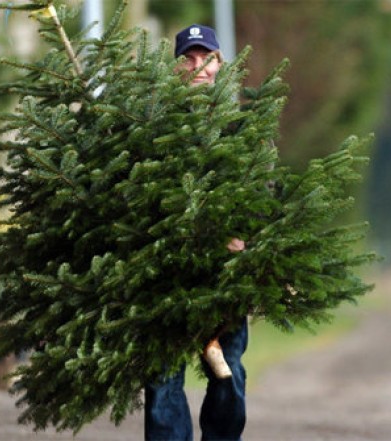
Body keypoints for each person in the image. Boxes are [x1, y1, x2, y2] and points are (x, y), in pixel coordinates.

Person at [144, 24, 248, 441]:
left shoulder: (242, 128)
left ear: (220, 63)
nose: (197, 67)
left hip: (224, 277)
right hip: (163, 276)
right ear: (175, 69)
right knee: (162, 377)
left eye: (206, 58)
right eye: (187, 59)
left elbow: (264, 194)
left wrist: (241, 236)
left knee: (227, 374)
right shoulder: (153, 127)